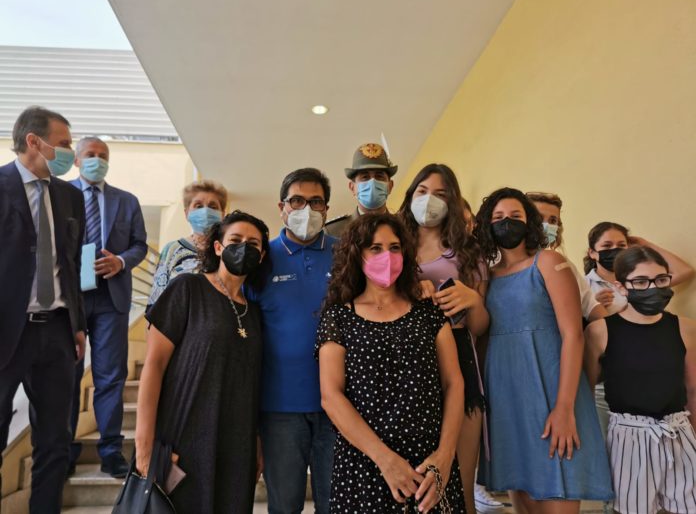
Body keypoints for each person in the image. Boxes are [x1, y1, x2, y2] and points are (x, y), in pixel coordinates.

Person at [475, 187, 613, 513]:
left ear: (529, 222)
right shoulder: (487, 277)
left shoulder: (549, 262)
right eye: (498, 217)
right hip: (506, 397)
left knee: (558, 488)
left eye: (515, 216)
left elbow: (573, 335)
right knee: (523, 500)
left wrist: (564, 408)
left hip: (552, 391)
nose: (507, 222)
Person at [316, 213, 466, 513]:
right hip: (364, 463)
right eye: (375, 248)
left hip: (429, 464)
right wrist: (386, 461)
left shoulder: (428, 311)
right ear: (357, 253)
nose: (387, 255)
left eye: (394, 247)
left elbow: (454, 383)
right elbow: (331, 396)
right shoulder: (338, 317)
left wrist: (445, 455)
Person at [135, 210, 268, 512]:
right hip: (185, 438)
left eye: (253, 244)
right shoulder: (187, 288)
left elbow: (252, 382)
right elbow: (153, 366)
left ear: (261, 256)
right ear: (218, 247)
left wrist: (257, 441)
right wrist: (144, 445)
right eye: (235, 240)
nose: (243, 247)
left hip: (236, 445)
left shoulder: (255, 313)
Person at [0, 106, 87, 514]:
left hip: (57, 331)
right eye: (64, 143)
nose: (71, 152)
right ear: (34, 141)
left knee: (55, 440)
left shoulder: (70, 197)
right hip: (6, 331)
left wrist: (78, 324)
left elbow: (71, 263)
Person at [397, 164, 495, 514]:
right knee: (412, 482)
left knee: (460, 484)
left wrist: (473, 301)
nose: (430, 200)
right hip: (405, 360)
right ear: (410, 195)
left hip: (458, 354)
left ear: (453, 200)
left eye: (440, 194)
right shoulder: (394, 246)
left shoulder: (468, 252)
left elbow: (479, 327)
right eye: (422, 191)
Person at [247, 168, 337, 514]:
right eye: (297, 200)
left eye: (316, 202)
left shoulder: (345, 255)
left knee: (336, 505)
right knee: (284, 506)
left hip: (339, 407)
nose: (306, 209)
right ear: (281, 207)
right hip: (279, 408)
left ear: (327, 208)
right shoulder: (261, 259)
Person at [584, 246, 696, 514]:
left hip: (679, 430)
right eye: (641, 282)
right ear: (621, 287)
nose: (653, 288)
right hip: (628, 435)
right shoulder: (600, 331)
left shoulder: (685, 327)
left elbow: (693, 389)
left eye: (661, 280)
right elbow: (585, 392)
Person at [67, 136, 148, 478]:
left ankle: (111, 450)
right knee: (67, 375)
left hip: (111, 299)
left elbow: (140, 244)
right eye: (90, 154)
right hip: (70, 298)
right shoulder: (60, 195)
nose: (97, 160)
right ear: (76, 159)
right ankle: (63, 447)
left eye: (103, 155)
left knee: (111, 377)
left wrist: (121, 261)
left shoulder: (126, 201)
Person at [526, 192, 607, 323]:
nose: (546, 225)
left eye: (553, 220)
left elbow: (590, 306)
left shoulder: (562, 264)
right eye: (538, 218)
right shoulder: (498, 263)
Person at [147, 179, 228, 309]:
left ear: (222, 214)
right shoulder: (172, 249)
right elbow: (157, 298)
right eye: (198, 206)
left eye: (213, 207)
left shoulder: (229, 251)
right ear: (187, 213)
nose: (205, 211)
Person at [583, 221, 693, 316]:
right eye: (607, 245)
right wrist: (592, 307)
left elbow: (684, 271)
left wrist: (646, 245)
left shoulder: (643, 281)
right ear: (592, 253)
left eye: (621, 245)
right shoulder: (584, 285)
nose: (615, 250)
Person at [325, 142, 397, 237]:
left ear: (390, 186)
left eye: (379, 176)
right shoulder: (333, 231)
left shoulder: (405, 227)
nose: (372, 182)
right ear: (352, 187)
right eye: (365, 177)